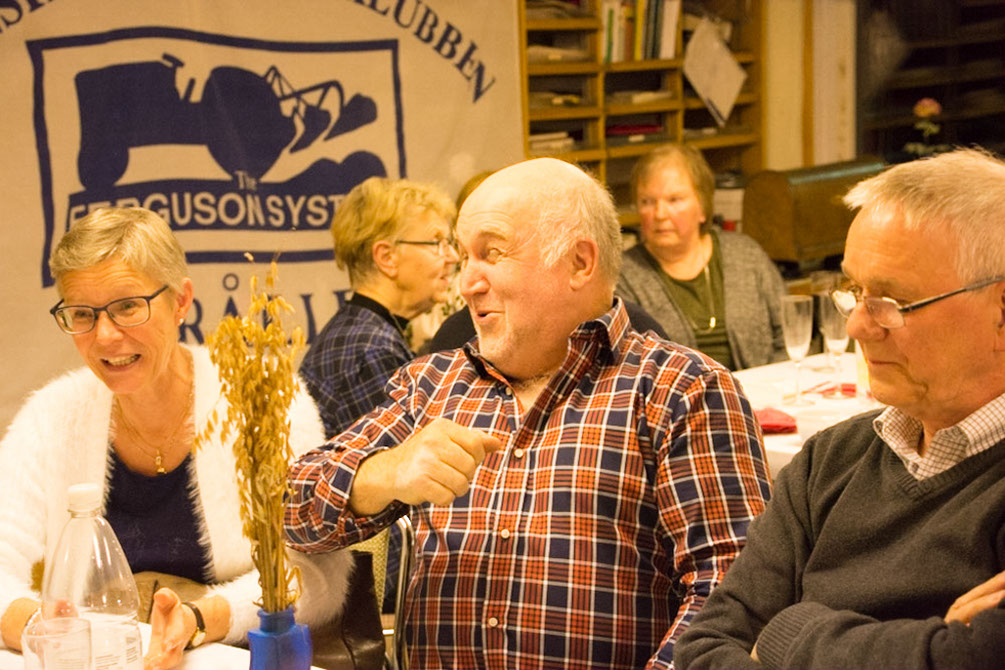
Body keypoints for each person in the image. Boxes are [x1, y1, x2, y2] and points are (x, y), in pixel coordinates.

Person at [285, 157, 772, 669]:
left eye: (491, 253)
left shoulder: (680, 390)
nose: (466, 284)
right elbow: (291, 512)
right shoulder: (432, 384)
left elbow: (734, 595)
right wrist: (384, 474)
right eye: (464, 257)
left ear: (580, 263)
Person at [674, 148, 1005, 670]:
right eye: (854, 291)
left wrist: (789, 631)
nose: (856, 326)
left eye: (891, 302)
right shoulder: (829, 459)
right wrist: (925, 644)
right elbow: (703, 648)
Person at [0, 207, 353, 669]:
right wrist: (42, 626)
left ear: (181, 301)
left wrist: (201, 619)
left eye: (128, 307)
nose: (105, 336)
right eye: (82, 313)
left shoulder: (264, 399)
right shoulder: (51, 416)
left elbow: (319, 575)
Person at [300, 176, 458, 438]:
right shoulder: (372, 352)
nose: (453, 256)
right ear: (387, 258)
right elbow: (406, 458)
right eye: (437, 243)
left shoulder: (362, 333)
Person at [616, 145, 786, 370]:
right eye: (647, 201)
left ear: (703, 206)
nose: (659, 214)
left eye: (674, 200)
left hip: (765, 387)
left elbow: (788, 333)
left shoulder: (746, 254)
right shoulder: (624, 276)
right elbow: (630, 365)